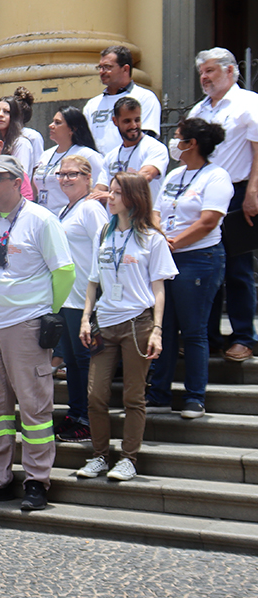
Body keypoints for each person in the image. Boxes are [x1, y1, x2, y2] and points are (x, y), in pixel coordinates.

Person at [0, 155, 74, 511]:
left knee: (34, 406)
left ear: (18, 181)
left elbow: (65, 272)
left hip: (25, 322)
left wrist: (49, 313)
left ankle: (36, 481)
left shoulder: (42, 220)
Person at [78, 172, 175, 482]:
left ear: (133, 197)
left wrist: (158, 330)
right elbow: (93, 281)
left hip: (138, 322)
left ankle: (128, 458)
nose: (110, 196)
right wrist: (85, 318)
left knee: (134, 396)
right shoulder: (104, 232)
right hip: (105, 322)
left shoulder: (152, 238)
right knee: (96, 396)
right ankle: (99, 456)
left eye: (117, 192)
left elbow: (159, 288)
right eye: (111, 191)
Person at [147, 118, 232, 419]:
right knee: (164, 327)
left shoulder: (216, 176)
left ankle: (195, 397)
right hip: (168, 256)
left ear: (191, 144)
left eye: (179, 137)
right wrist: (161, 239)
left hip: (198, 259)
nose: (174, 142)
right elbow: (155, 212)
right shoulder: (174, 175)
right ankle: (158, 393)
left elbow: (208, 221)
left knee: (194, 330)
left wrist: (175, 243)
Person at [186, 48, 258, 362]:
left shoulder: (248, 104)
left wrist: (254, 190)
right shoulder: (197, 110)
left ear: (231, 71)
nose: (204, 77)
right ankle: (209, 337)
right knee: (206, 264)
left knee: (238, 268)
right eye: (202, 71)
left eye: (211, 71)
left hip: (238, 192)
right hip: (203, 196)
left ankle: (244, 336)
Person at [53, 155, 108, 443]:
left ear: (88, 178)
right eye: (61, 174)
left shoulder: (90, 209)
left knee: (86, 362)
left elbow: (104, 248)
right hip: (66, 298)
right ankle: (75, 414)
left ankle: (89, 419)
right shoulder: (66, 209)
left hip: (84, 298)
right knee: (72, 362)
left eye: (72, 174)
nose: (65, 179)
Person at [83, 45, 162, 152]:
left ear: (125, 69)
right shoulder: (92, 104)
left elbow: (147, 138)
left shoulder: (144, 97)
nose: (102, 72)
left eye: (107, 67)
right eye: (100, 67)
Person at [93, 96, 168, 207]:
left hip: (144, 220)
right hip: (117, 222)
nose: (134, 125)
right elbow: (100, 188)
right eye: (127, 121)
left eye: (137, 120)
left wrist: (110, 194)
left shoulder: (155, 148)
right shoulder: (111, 156)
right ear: (115, 121)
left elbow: (145, 177)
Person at [33, 107, 103, 214]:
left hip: (70, 217)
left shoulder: (87, 155)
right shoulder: (46, 154)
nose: (51, 125)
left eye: (58, 123)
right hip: (44, 217)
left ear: (72, 129)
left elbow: (100, 187)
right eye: (53, 122)